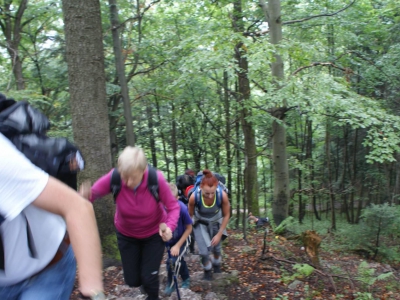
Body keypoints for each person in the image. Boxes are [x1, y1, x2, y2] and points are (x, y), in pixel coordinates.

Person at [0, 133, 104, 300]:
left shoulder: (3, 160)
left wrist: (94, 294)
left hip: (48, 269)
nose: (74, 165)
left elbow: (78, 207)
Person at [80, 146, 180, 300]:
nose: (127, 182)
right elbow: (92, 195)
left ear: (143, 170)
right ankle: (145, 278)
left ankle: (152, 296)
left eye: (132, 177)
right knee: (132, 280)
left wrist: (170, 227)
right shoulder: (114, 178)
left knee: (149, 277)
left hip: (154, 234)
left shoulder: (156, 180)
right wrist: (84, 196)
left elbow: (173, 207)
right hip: (127, 234)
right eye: (124, 176)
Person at [188, 169, 230, 280]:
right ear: (201, 187)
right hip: (200, 222)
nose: (210, 196)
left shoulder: (222, 195)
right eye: (207, 193)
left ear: (217, 187)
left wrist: (219, 233)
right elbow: (190, 215)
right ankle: (207, 270)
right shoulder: (194, 197)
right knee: (203, 252)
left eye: (213, 192)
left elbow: (226, 215)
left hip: (217, 222)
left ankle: (216, 264)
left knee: (216, 249)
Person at [164, 183, 193, 296]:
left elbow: (189, 228)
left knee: (172, 261)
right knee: (177, 260)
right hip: (169, 240)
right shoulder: (160, 209)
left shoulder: (182, 208)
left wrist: (177, 246)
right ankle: (183, 277)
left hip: (183, 238)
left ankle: (177, 281)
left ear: (177, 198)